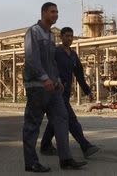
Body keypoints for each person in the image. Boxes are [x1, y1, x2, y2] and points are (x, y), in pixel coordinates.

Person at [23, 2, 87, 172]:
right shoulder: (33, 32)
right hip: (37, 86)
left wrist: (56, 78)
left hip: (53, 87)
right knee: (32, 124)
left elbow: (51, 61)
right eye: (53, 12)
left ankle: (65, 159)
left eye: (57, 12)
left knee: (61, 118)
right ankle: (31, 162)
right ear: (44, 12)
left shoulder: (51, 35)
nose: (56, 15)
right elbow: (31, 58)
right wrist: (44, 78)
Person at [40, 27, 100, 158]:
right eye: (67, 36)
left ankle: (45, 145)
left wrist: (88, 91)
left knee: (56, 120)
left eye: (71, 36)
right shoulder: (55, 52)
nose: (69, 38)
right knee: (70, 119)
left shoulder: (73, 55)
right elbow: (48, 68)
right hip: (55, 92)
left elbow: (79, 75)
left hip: (65, 94)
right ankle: (85, 146)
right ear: (61, 37)